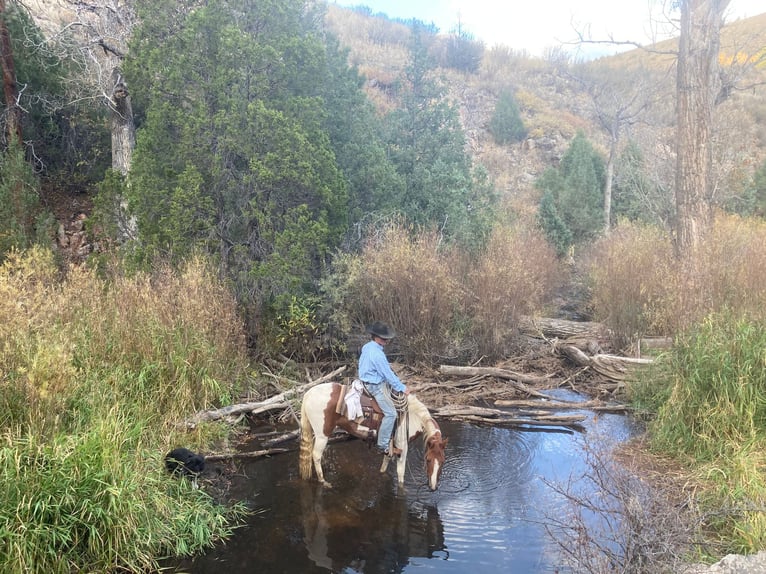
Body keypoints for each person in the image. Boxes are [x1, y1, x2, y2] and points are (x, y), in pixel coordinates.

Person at [358, 321, 409, 455]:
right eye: (383, 337)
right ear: (376, 337)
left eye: (385, 338)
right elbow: (387, 374)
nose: (386, 340)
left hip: (364, 381)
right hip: (375, 386)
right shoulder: (378, 354)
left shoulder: (367, 346)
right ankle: (383, 445)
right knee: (391, 414)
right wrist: (401, 387)